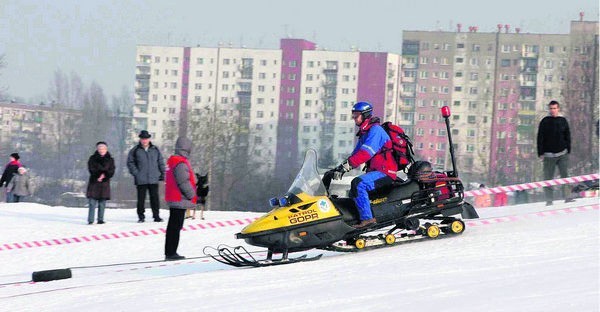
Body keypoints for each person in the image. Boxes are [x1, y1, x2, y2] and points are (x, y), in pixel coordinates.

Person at [332, 101, 398, 229]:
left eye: (356, 115)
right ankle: (354, 220)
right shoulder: (365, 132)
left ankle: (368, 219)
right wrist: (339, 168)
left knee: (359, 184)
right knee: (353, 192)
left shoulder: (375, 130)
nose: (354, 118)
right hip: (376, 172)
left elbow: (365, 153)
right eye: (353, 115)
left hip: (386, 172)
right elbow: (355, 154)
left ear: (365, 115)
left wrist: (347, 166)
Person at [164, 137, 197, 261]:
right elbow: (183, 181)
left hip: (173, 197)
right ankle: (171, 253)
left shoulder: (173, 160)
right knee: (175, 227)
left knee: (173, 226)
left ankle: (170, 251)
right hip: (179, 198)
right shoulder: (180, 163)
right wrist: (192, 194)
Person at [537, 100, 573, 206]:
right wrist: (540, 152)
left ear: (558, 109)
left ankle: (567, 196)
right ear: (549, 109)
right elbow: (540, 137)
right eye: (551, 108)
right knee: (548, 177)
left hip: (562, 153)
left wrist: (568, 149)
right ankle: (549, 200)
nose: (553, 110)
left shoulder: (563, 120)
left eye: (555, 108)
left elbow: (568, 135)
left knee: (565, 175)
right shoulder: (544, 121)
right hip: (548, 155)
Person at [127, 130, 166, 223]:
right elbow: (130, 162)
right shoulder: (135, 150)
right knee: (141, 199)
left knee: (155, 198)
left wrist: (162, 174)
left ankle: (156, 216)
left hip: (153, 178)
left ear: (149, 139)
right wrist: (136, 173)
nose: (144, 141)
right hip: (141, 179)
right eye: (143, 139)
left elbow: (160, 162)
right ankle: (141, 216)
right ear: (140, 139)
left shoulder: (155, 149)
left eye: (146, 139)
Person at [86, 142, 115, 224]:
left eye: (103, 149)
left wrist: (104, 175)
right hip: (94, 182)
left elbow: (112, 170)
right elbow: (91, 169)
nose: (101, 150)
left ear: (106, 149)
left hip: (104, 183)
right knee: (92, 202)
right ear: (97, 149)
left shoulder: (110, 159)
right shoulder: (92, 158)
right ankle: (90, 220)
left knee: (102, 202)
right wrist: (98, 175)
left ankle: (100, 219)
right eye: (99, 149)